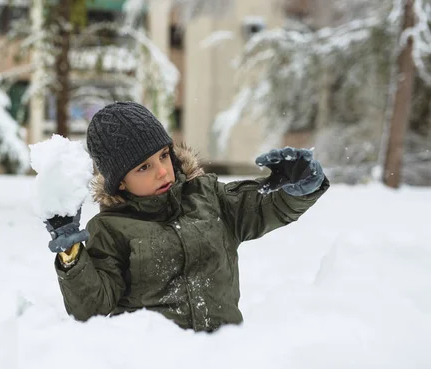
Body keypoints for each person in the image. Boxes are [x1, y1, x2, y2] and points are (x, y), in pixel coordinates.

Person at [43, 102, 329, 332]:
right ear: (119, 182)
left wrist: (295, 187)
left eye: (164, 155)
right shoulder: (109, 229)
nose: (163, 171)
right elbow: (92, 309)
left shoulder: (209, 197)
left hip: (227, 356)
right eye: (144, 167)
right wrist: (72, 256)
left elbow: (267, 205)